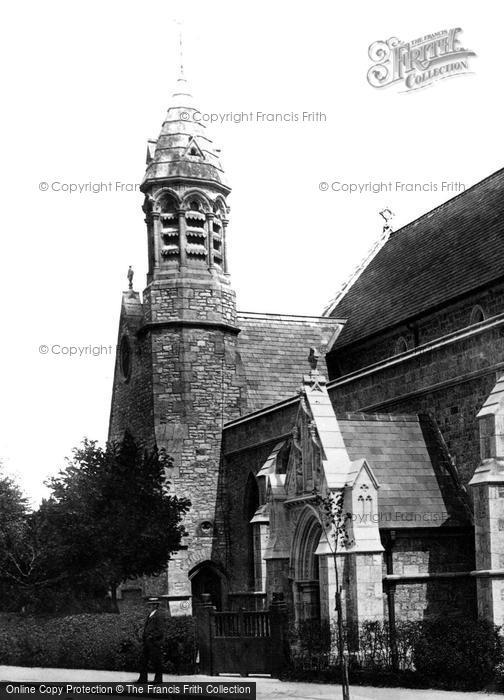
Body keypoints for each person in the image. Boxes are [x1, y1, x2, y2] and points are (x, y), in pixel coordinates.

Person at [136, 598, 168, 683]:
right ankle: (142, 679)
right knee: (143, 660)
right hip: (147, 642)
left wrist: (151, 636)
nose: (149, 606)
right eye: (149, 604)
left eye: (151, 604)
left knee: (156, 661)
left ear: (155, 605)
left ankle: (158, 680)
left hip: (154, 642)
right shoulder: (150, 615)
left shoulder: (159, 615)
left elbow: (160, 630)